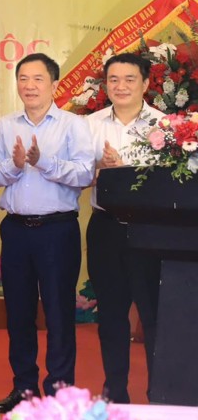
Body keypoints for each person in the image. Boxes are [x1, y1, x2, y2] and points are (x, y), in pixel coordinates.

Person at [0, 53, 95, 414]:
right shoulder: (5, 125)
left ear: (54, 85)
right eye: (23, 79)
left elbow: (83, 175)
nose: (29, 86)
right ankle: (24, 389)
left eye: (37, 79)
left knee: (59, 314)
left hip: (56, 231)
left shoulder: (73, 125)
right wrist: (16, 165)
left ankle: (60, 392)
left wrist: (41, 161)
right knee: (18, 315)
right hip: (16, 231)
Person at [84, 52, 162, 403]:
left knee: (155, 315)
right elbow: (72, 177)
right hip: (106, 229)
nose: (121, 86)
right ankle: (116, 393)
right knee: (112, 315)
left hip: (153, 232)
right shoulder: (89, 125)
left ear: (145, 83)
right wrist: (97, 167)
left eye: (129, 79)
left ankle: (160, 392)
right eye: (113, 79)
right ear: (105, 85)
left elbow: (174, 181)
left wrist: (124, 168)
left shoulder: (167, 127)